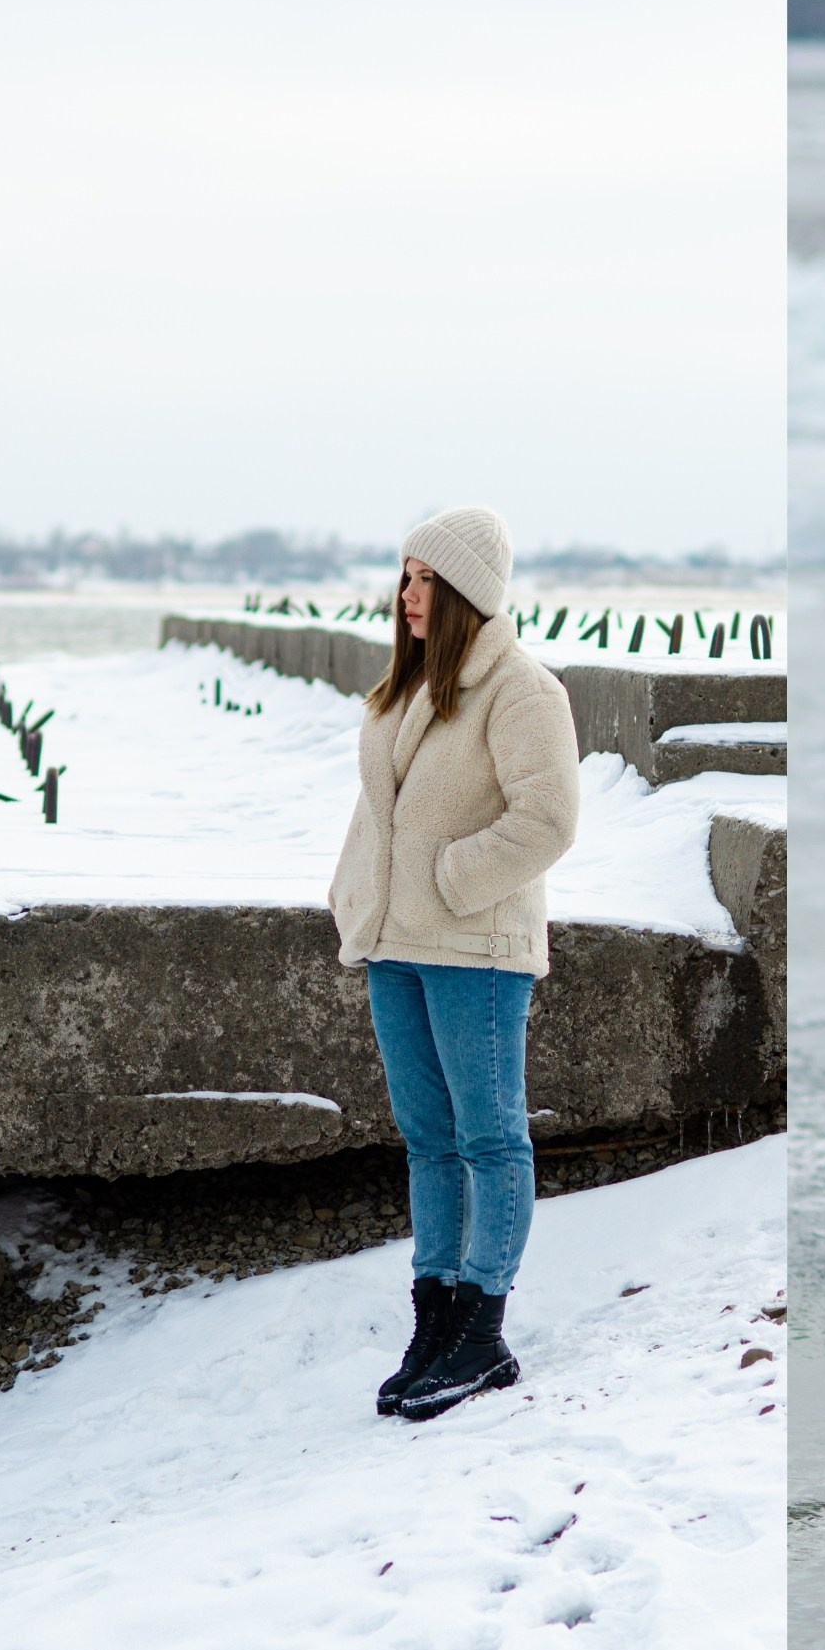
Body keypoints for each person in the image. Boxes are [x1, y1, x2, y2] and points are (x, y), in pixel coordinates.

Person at [328, 506, 580, 1419]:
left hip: (474, 946)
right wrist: (355, 889)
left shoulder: (523, 691)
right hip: (394, 944)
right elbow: (381, 816)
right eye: (403, 576)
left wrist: (449, 878)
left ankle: (483, 1329)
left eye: (425, 579)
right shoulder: (405, 690)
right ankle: (434, 1315)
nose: (406, 594)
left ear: (467, 592)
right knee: (428, 1141)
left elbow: (547, 820)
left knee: (489, 1138)